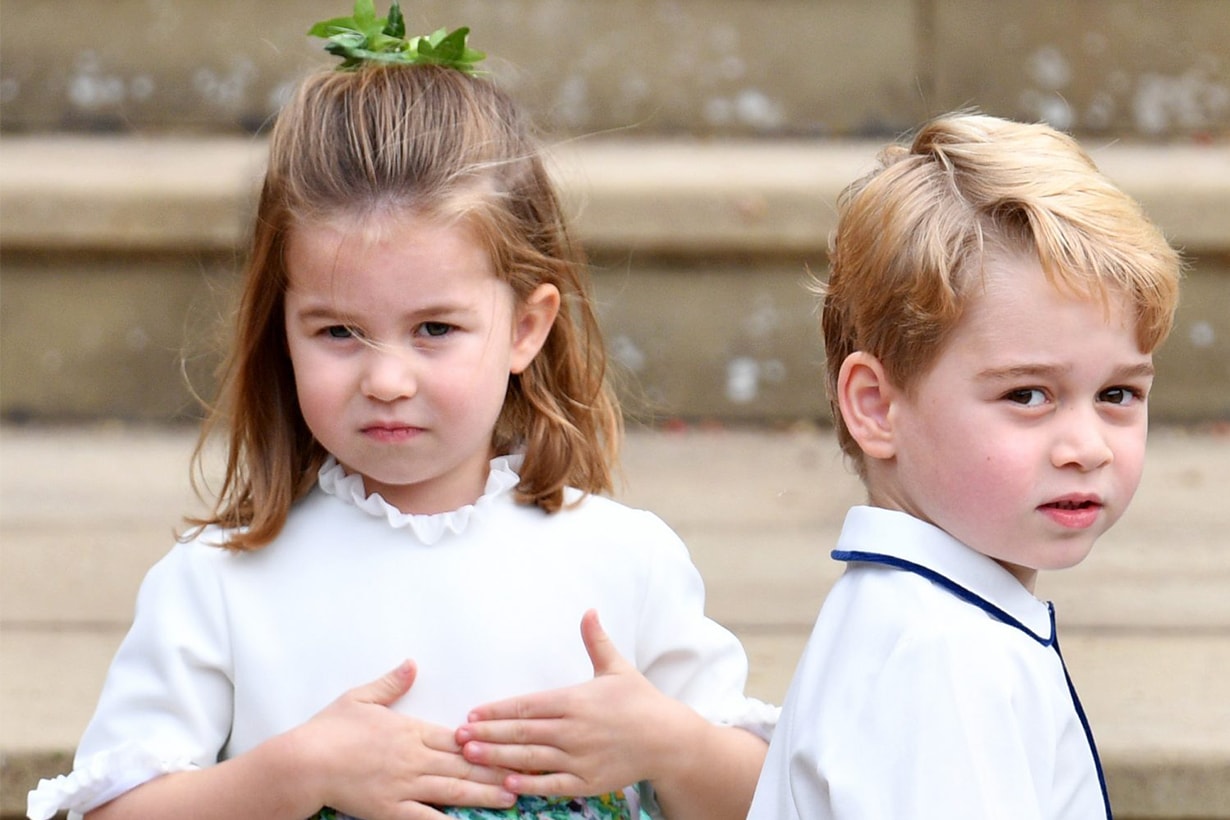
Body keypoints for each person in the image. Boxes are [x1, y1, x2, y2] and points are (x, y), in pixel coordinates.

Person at [27, 7, 774, 820]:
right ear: (282, 327)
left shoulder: (625, 560)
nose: (386, 378)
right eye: (339, 331)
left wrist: (673, 746)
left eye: (434, 330)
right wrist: (292, 773)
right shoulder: (220, 584)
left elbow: (777, 802)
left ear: (526, 327)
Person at [747, 111, 1181, 819]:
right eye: (1029, 394)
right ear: (878, 407)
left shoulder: (925, 620)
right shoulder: (941, 659)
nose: (1088, 446)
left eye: (1117, 394)